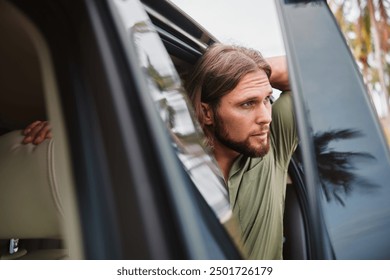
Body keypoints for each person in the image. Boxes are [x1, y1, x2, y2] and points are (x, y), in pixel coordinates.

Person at [185, 43, 298, 259]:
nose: (266, 117)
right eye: (247, 104)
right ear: (207, 112)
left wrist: (252, 68)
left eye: (266, 99)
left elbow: (314, 70)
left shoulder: (274, 144)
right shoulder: (180, 171)